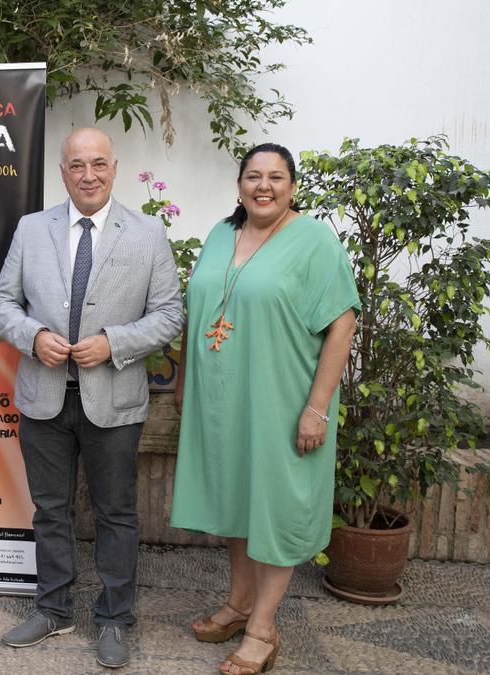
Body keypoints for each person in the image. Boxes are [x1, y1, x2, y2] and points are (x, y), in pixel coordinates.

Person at [0, 128, 183, 668]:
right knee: (50, 511)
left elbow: (169, 313)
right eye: (77, 165)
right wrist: (32, 337)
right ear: (63, 171)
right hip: (44, 398)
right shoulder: (32, 229)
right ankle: (52, 608)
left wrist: (114, 343)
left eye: (99, 164)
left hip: (113, 400)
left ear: (115, 168)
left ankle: (115, 618)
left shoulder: (146, 234)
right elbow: (2, 301)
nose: (89, 174)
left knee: (116, 512)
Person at [170, 143, 358, 674]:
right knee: (235, 500)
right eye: (253, 176)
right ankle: (239, 602)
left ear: (293, 186)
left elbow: (341, 324)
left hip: (283, 398)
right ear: (239, 185)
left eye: (276, 177)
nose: (263, 186)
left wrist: (317, 408)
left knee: (274, 508)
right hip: (222, 400)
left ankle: (262, 628)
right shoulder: (219, 234)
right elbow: (196, 310)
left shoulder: (314, 241)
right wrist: (185, 379)